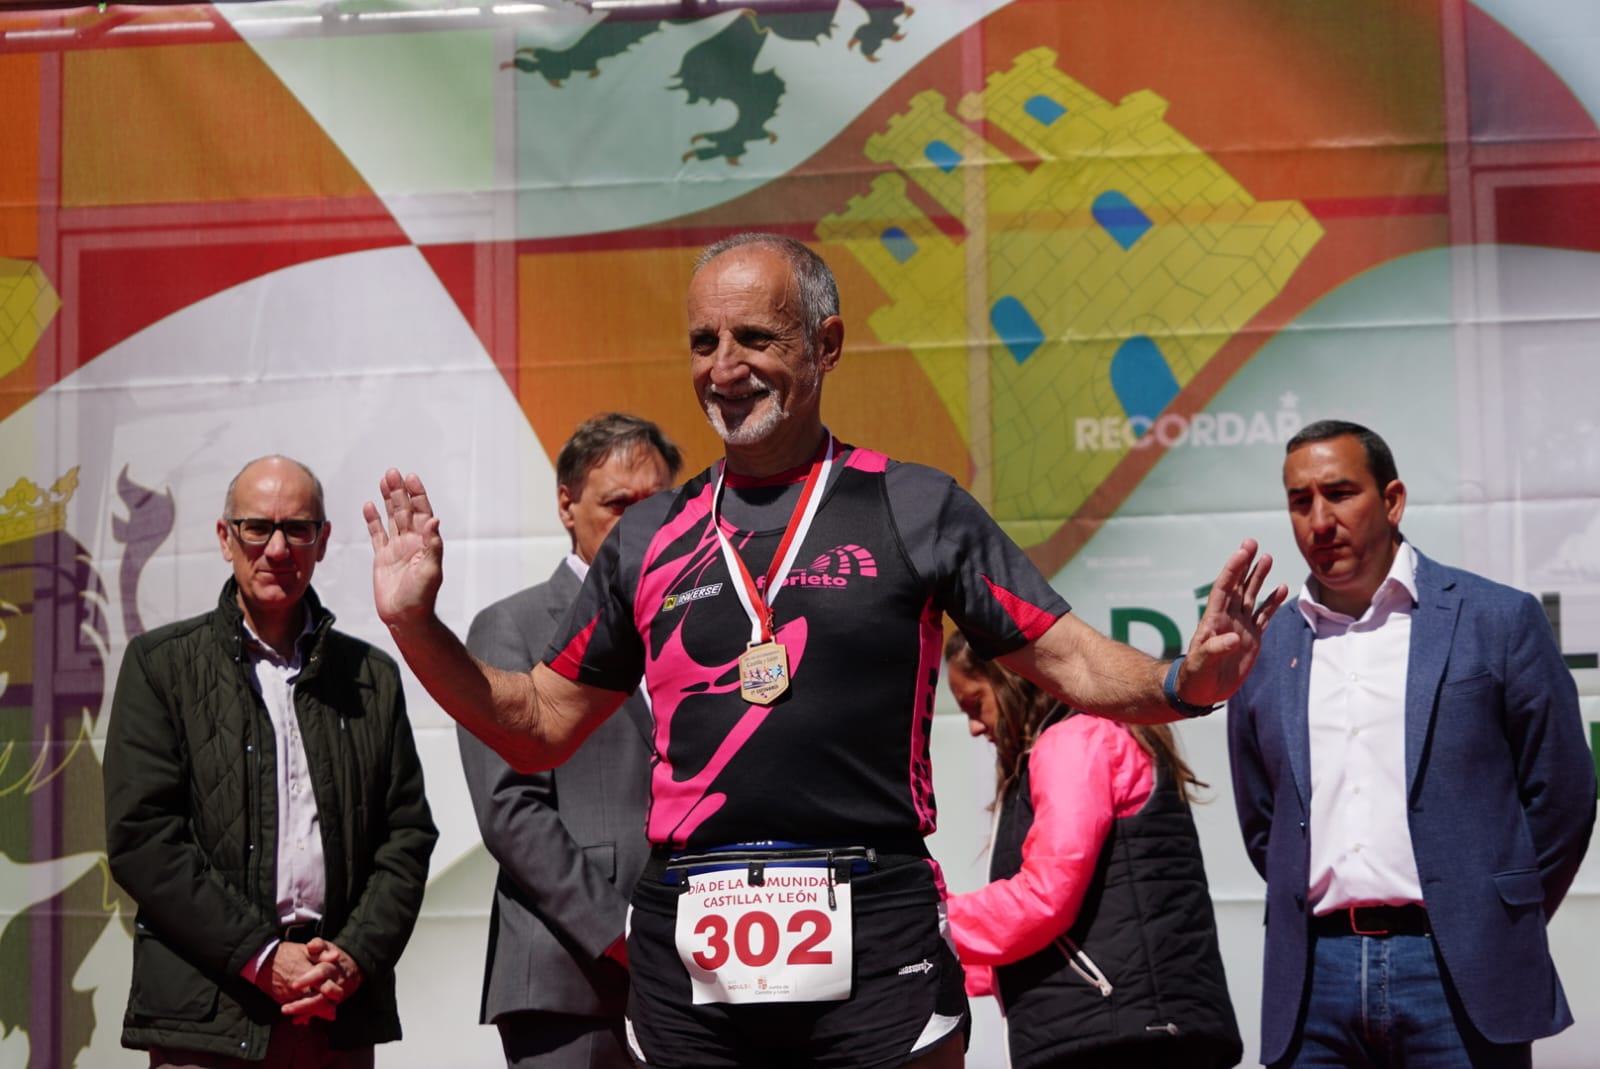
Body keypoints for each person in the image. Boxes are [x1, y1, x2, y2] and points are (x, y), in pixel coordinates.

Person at [364, 232, 1285, 1069]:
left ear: (827, 345)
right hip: (692, 928)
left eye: (755, 339)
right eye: (703, 343)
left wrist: (1183, 681)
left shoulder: (916, 505)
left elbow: (1069, 658)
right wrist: (416, 625)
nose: (724, 369)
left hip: (875, 913)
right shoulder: (651, 537)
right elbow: (534, 724)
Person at [1227, 419, 1596, 1068]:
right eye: (1299, 499)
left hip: (1459, 971)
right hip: (1314, 977)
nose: (1319, 518)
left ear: (1392, 500)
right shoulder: (1266, 648)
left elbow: (1562, 795)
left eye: (1340, 492)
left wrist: (1488, 913)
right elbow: (1265, 822)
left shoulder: (1497, 619)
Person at [104, 455, 437, 1068]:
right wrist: (260, 956)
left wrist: (356, 955)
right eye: (257, 528)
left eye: (298, 529)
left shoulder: (370, 678)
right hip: (205, 1016)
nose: (277, 548)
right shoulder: (161, 667)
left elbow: (406, 837)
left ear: (323, 541)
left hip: (335, 1011)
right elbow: (143, 840)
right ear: (225, 538)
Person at [459, 413, 681, 1068]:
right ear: (567, 503)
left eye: (658, 505)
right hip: (569, 980)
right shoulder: (512, 628)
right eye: (618, 504)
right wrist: (622, 933)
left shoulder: (700, 624)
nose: (641, 524)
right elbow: (512, 809)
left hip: (696, 974)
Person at [942, 630, 1242, 1069]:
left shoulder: (1074, 742)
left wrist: (926, 924)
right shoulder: (1083, 737)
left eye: (975, 704)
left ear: (1010, 681)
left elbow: (1044, 898)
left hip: (1122, 1034)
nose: (973, 726)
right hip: (1130, 1024)